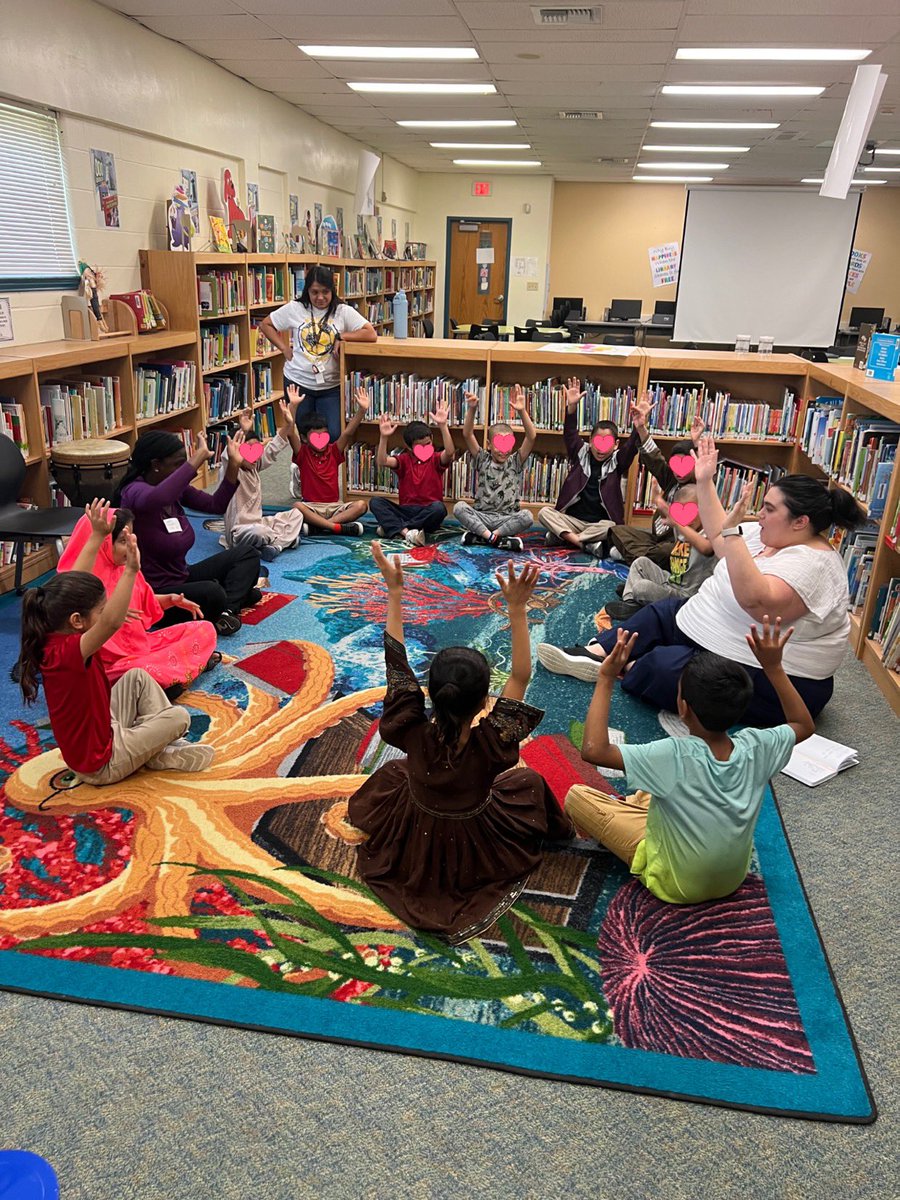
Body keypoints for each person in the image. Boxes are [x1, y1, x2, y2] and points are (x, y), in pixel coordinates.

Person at [537, 439, 866, 727]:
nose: (760, 515)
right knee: (662, 614)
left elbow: (758, 602)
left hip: (775, 677)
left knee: (664, 668)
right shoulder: (770, 535)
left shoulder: (814, 563)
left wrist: (733, 534)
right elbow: (720, 538)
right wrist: (706, 481)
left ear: (801, 522)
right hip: (719, 638)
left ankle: (627, 665)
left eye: (768, 509)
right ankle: (598, 653)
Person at [347, 545, 574, 943]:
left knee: (391, 775)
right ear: (486, 700)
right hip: (474, 833)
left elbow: (396, 665)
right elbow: (522, 674)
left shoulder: (411, 729)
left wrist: (395, 593)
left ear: (431, 693)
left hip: (415, 821)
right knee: (531, 784)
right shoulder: (492, 741)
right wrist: (518, 611)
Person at [564, 617, 814, 904]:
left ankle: (635, 808)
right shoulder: (758, 745)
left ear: (682, 708)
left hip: (675, 885)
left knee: (577, 797)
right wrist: (774, 668)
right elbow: (802, 724)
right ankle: (639, 803)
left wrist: (606, 678)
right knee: (654, 789)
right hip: (732, 879)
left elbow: (594, 750)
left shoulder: (672, 755)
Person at [18, 525, 214, 785]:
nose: (105, 613)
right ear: (77, 620)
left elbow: (75, 577)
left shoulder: (55, 636)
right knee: (180, 717)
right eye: (100, 610)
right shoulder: (67, 653)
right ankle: (157, 749)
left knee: (137, 677)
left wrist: (98, 535)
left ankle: (158, 748)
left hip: (105, 731)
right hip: (101, 765)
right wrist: (132, 570)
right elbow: (111, 623)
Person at [57, 500, 218, 699]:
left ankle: (165, 681)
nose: (132, 545)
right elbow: (76, 630)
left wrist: (170, 599)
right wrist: (108, 613)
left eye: (132, 538)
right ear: (105, 541)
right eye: (123, 541)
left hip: (141, 647)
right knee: (140, 671)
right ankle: (168, 679)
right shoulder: (80, 582)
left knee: (203, 629)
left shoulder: (126, 570)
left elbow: (145, 602)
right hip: (111, 664)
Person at [113, 429, 261, 637]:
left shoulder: (175, 490)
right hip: (155, 593)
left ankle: (226, 610)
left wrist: (234, 465)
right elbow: (157, 498)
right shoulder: (134, 492)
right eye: (177, 464)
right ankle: (230, 599)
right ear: (155, 465)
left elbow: (215, 505)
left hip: (182, 576)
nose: (183, 469)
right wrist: (198, 457)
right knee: (213, 592)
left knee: (248, 554)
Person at [258, 265, 376, 442]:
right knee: (304, 435)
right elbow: (266, 325)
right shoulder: (295, 308)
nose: (320, 297)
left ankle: (324, 469)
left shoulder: (342, 311)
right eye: (314, 292)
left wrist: (341, 336)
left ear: (332, 291)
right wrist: (284, 348)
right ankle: (303, 468)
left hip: (330, 386)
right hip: (297, 382)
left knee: (333, 434)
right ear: (307, 291)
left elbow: (370, 333)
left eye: (325, 292)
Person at [536, 377, 646, 556]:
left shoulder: (617, 462)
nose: (601, 448)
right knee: (544, 513)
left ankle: (567, 538)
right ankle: (585, 544)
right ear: (590, 441)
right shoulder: (581, 453)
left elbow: (632, 447)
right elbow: (570, 435)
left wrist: (639, 425)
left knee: (612, 527)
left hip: (599, 524)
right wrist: (571, 409)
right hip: (573, 520)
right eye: (597, 441)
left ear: (616, 444)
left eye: (607, 442)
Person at [606, 403, 705, 567]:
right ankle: (642, 560)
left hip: (679, 544)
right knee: (617, 531)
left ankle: (639, 560)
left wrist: (696, 444)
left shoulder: (700, 486)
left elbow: (705, 472)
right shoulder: (671, 478)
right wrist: (641, 428)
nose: (679, 471)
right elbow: (654, 458)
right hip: (656, 539)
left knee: (665, 552)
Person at [605, 481, 719, 621]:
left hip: (686, 598)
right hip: (670, 582)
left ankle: (637, 594)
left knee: (642, 587)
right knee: (640, 562)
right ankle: (630, 602)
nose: (687, 519)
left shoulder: (710, 535)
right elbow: (668, 516)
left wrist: (676, 522)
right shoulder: (683, 527)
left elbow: (706, 548)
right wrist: (660, 501)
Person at [454, 383, 536, 551]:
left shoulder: (515, 461)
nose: (504, 449)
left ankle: (485, 537)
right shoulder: (482, 459)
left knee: (527, 516)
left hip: (506, 519)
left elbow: (531, 436)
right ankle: (498, 539)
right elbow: (467, 434)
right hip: (482, 516)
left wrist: (521, 411)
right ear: (489, 445)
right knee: (459, 507)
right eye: (499, 444)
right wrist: (472, 409)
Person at [222, 397, 304, 560]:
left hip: (259, 522)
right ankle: (282, 541)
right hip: (239, 532)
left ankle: (275, 546)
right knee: (260, 532)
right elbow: (228, 457)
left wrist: (288, 424)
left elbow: (273, 447)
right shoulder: (231, 471)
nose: (253, 456)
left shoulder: (254, 465)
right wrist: (243, 431)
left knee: (297, 514)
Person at [286, 382, 370, 536]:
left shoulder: (334, 450)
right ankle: (336, 527)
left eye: (324, 435)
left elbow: (347, 433)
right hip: (311, 506)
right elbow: (290, 433)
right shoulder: (302, 453)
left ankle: (320, 527)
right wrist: (293, 406)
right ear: (304, 438)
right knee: (297, 507)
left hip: (334, 507)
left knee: (361, 505)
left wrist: (362, 410)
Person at [369, 405, 455, 547]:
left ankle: (395, 528)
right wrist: (383, 437)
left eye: (428, 444)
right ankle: (407, 532)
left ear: (432, 439)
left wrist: (443, 425)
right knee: (375, 502)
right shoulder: (403, 459)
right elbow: (382, 461)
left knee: (440, 509)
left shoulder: (436, 459)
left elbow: (450, 453)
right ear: (409, 447)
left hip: (428, 512)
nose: (425, 448)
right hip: (406, 510)